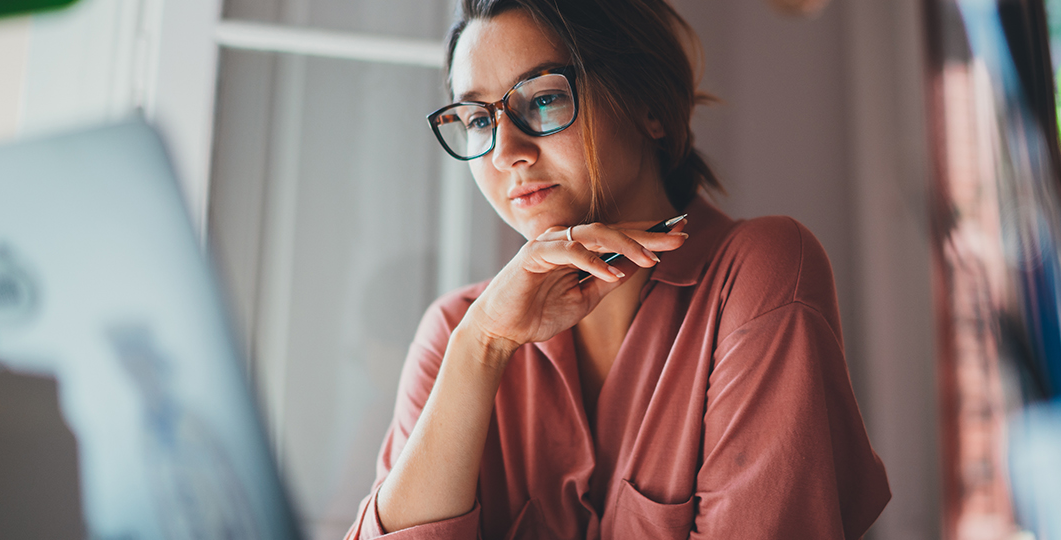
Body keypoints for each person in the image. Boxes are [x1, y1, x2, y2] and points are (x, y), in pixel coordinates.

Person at [345, 0, 890, 538]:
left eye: (545, 99)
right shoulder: (457, 332)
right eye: (478, 120)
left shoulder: (756, 274)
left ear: (648, 104)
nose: (504, 152)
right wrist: (481, 348)